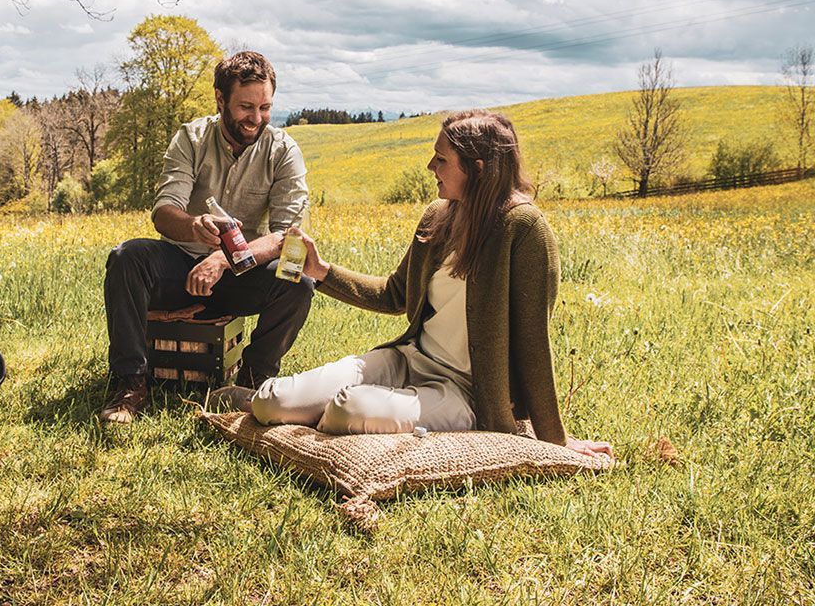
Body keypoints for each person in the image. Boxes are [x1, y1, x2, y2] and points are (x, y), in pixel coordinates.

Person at [249, 109, 613, 457]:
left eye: (441, 160)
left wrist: (555, 438)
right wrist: (321, 271)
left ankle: (337, 417)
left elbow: (534, 343)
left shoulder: (525, 230)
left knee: (347, 409)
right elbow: (395, 294)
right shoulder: (438, 216)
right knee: (272, 403)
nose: (431, 167)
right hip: (409, 358)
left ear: (478, 169)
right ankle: (258, 401)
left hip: (465, 391)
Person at [100, 51, 315, 423]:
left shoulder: (283, 150)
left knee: (299, 282)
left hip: (241, 275)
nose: (256, 118)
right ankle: (129, 384)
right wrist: (193, 225)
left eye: (265, 107)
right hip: (182, 266)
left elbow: (289, 234)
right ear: (220, 99)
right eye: (246, 107)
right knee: (126, 257)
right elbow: (164, 211)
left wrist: (224, 258)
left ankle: (252, 379)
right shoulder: (191, 138)